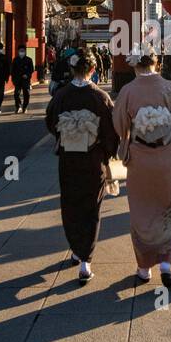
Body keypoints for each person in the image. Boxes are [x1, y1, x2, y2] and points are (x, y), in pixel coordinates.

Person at [113, 51, 171, 288]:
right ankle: (166, 264)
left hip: (140, 157)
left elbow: (119, 123)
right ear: (157, 64)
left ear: (136, 65)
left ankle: (144, 268)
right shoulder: (169, 88)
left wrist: (126, 142)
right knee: (166, 205)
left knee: (142, 209)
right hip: (165, 156)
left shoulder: (128, 91)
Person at [46, 51, 119, 284]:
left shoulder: (61, 95)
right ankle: (86, 260)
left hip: (69, 158)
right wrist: (107, 152)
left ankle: (76, 249)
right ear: (93, 69)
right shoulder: (100, 97)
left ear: (73, 69)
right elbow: (111, 130)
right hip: (92, 158)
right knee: (91, 207)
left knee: (70, 202)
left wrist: (67, 134)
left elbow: (51, 122)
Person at [10, 43, 34, 114]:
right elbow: (12, 70)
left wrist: (27, 75)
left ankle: (25, 107)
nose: (21, 52)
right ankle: (18, 106)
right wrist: (13, 79)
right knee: (16, 94)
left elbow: (31, 69)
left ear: (25, 51)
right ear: (18, 51)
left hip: (26, 80)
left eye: (23, 51)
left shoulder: (29, 60)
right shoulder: (15, 60)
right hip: (17, 80)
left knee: (26, 94)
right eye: (20, 51)